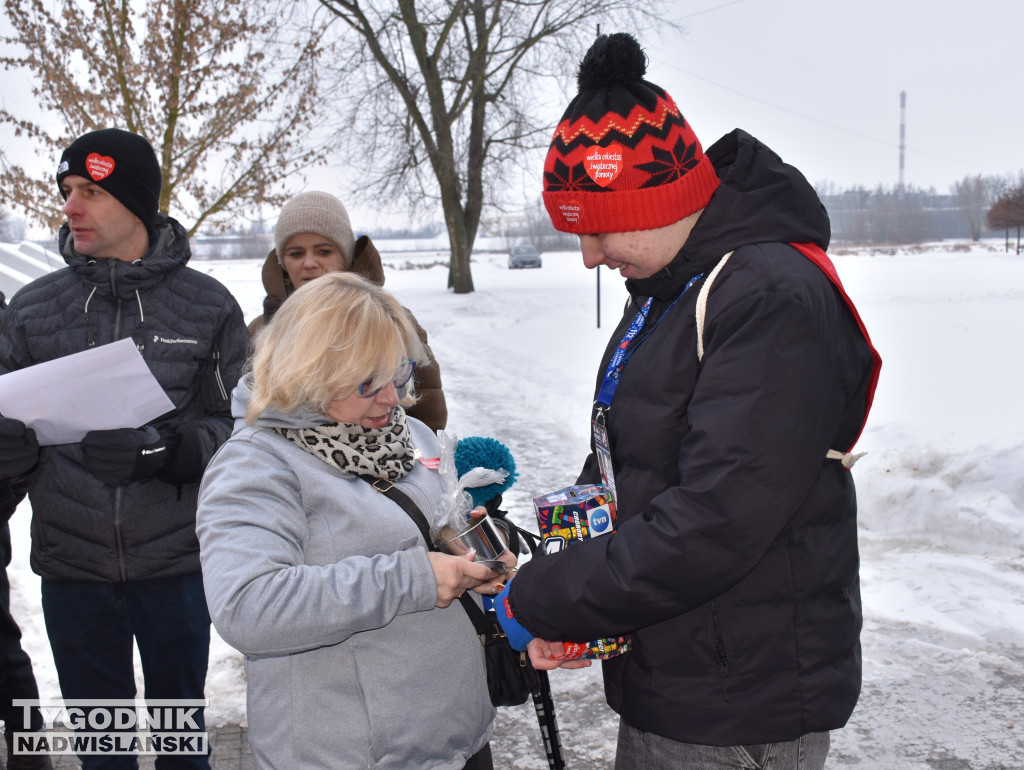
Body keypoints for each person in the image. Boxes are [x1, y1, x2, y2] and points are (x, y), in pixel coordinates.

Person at [494, 33, 882, 769]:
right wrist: (576, 592)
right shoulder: (673, 286)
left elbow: (716, 518)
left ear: (657, 201)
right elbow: (634, 460)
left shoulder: (766, 296)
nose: (588, 256)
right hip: (680, 668)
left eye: (596, 228)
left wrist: (544, 596)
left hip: (737, 700)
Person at [0, 128, 250, 769]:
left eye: (90, 191)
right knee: (102, 752)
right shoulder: (30, 310)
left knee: (180, 748)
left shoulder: (209, 307)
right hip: (73, 572)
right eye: (66, 190)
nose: (70, 207)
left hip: (175, 568)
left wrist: (169, 454)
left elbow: (242, 430)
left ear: (137, 203)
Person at [196, 271, 510, 770]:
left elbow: (425, 528)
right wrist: (414, 578)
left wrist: (476, 551)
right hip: (350, 754)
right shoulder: (256, 465)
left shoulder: (407, 434)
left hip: (457, 737)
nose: (392, 398)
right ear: (310, 373)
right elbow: (248, 607)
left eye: (400, 373)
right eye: (368, 381)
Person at [248, 191, 448, 432]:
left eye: (324, 251)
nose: (309, 263)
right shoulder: (261, 331)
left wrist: (406, 453)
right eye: (296, 254)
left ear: (346, 256)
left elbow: (428, 418)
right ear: (282, 262)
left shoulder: (392, 322)